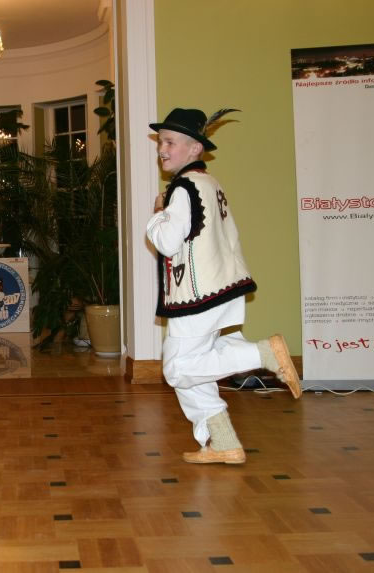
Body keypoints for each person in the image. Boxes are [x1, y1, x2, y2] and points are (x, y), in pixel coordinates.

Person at [146, 108, 302, 465]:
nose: (162, 150)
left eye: (170, 142)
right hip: (221, 288)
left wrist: (158, 214)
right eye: (161, 142)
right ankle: (224, 442)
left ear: (195, 148)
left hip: (199, 294)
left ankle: (262, 354)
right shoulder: (210, 183)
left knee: (177, 369)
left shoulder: (183, 188)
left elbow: (167, 242)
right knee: (194, 367)